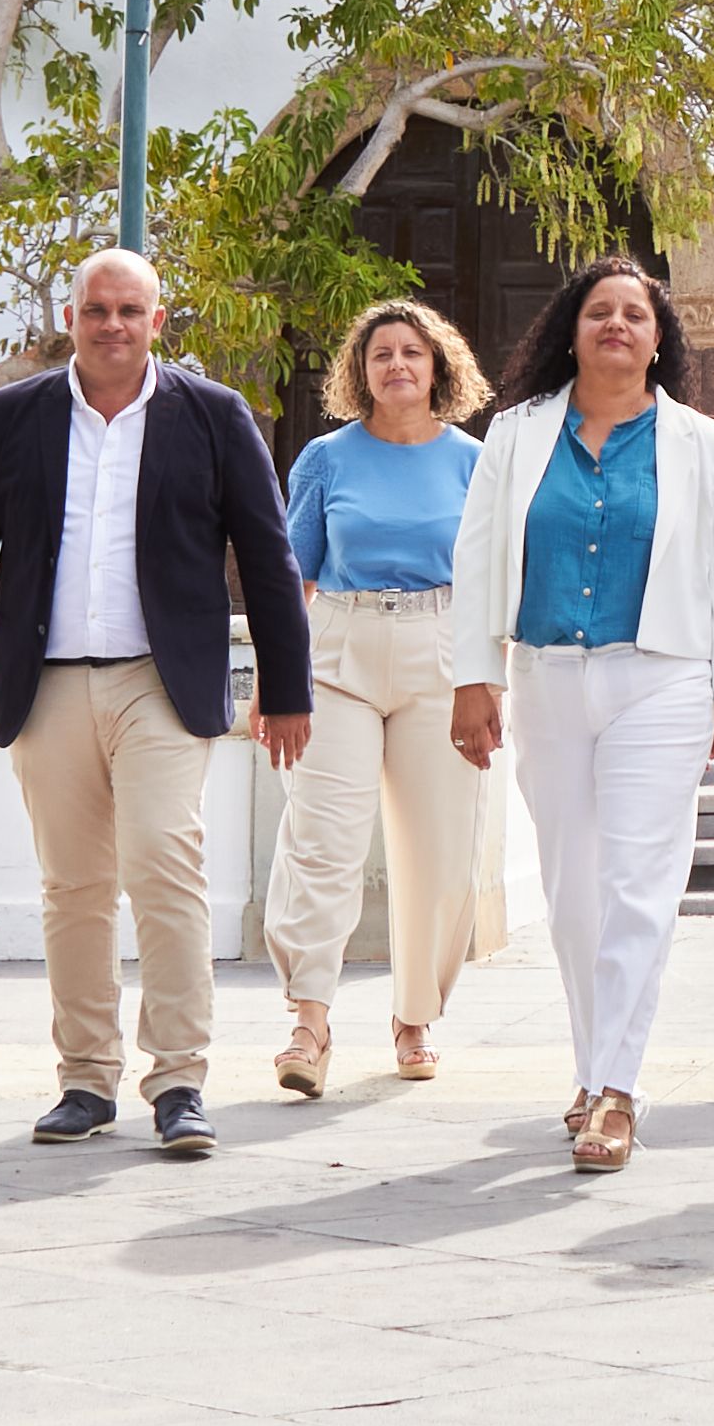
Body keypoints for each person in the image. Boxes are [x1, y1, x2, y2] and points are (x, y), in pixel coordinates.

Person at [0, 248, 312, 1157]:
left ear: (158, 322)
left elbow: (267, 559)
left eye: (131, 310)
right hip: (45, 686)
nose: (113, 326)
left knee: (165, 866)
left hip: (162, 683)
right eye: (96, 311)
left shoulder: (211, 415)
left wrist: (286, 688)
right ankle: (85, 1080)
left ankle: (179, 1081)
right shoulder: (11, 420)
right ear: (72, 320)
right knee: (73, 887)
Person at [446, 255, 714, 1175]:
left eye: (636, 314)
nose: (617, 325)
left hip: (660, 680)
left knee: (637, 887)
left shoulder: (702, 443)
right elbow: (477, 558)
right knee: (572, 894)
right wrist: (475, 676)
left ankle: (616, 1090)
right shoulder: (516, 434)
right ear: (570, 330)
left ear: (661, 338)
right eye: (600, 313)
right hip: (545, 676)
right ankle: (592, 1071)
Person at [264, 298, 499, 1101]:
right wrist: (276, 675)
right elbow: (290, 575)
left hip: (442, 650)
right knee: (321, 841)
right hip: (339, 651)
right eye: (380, 355)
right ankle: (308, 1021)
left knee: (437, 848)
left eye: (411, 353)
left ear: (439, 367)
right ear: (359, 374)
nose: (397, 365)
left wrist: (486, 679)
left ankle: (414, 1018)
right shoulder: (327, 459)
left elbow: (494, 578)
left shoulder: (475, 462)